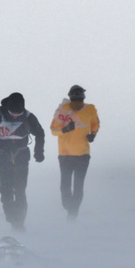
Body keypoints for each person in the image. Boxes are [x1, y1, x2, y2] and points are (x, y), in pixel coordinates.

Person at [0, 92, 45, 232]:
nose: (16, 116)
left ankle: (19, 224)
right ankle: (11, 218)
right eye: (12, 113)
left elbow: (40, 133)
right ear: (8, 109)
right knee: (6, 191)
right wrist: (3, 146)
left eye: (19, 114)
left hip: (22, 154)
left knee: (20, 190)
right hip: (3, 155)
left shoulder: (29, 117)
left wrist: (39, 152)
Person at [50, 85, 100, 219]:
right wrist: (65, 129)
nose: (77, 104)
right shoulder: (63, 111)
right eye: (75, 101)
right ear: (71, 99)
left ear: (83, 99)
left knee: (78, 185)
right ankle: (68, 207)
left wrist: (93, 134)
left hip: (82, 155)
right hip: (65, 155)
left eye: (80, 101)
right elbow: (53, 130)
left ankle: (73, 213)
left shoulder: (90, 109)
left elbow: (95, 123)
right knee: (65, 185)